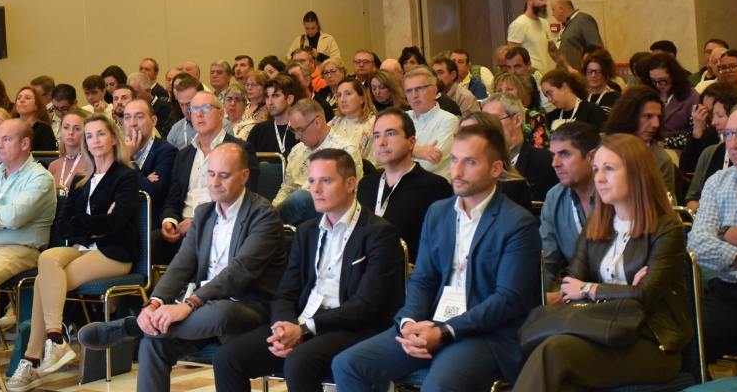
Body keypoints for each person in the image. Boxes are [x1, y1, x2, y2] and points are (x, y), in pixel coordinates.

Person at [332, 120, 542, 392]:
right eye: (454, 160)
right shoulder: (438, 212)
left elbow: (507, 300)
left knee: (437, 387)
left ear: (495, 169)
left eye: (470, 162)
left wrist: (445, 331)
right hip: (431, 322)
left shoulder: (517, 223)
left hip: (485, 334)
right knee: (348, 364)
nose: (457, 170)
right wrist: (409, 322)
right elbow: (423, 279)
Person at [77, 143, 286, 392]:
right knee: (153, 343)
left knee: (219, 312)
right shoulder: (204, 212)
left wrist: (188, 305)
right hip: (201, 310)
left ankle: (132, 327)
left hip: (247, 307)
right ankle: (145, 327)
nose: (215, 182)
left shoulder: (264, 215)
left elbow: (239, 273)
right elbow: (182, 265)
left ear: (244, 176)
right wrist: (154, 303)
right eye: (210, 174)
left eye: (224, 175)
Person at [213, 148, 406, 392]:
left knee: (300, 361)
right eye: (312, 181)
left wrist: (304, 330)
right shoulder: (307, 231)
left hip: (353, 328)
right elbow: (285, 293)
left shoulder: (379, 233)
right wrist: (282, 326)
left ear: (350, 183)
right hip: (304, 322)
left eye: (325, 181)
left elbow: (365, 307)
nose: (315, 190)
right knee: (227, 359)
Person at [511, 134, 690, 392]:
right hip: (599, 330)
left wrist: (590, 289)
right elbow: (569, 287)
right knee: (560, 378)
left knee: (555, 352)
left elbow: (646, 296)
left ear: (637, 173)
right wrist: (625, 291)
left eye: (609, 169)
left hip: (651, 342)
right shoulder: (598, 223)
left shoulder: (666, 228)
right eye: (596, 169)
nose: (600, 178)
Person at [9, 116, 141, 391]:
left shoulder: (126, 176)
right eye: (90, 136)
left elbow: (115, 224)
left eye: (100, 134)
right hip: (81, 248)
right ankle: (56, 338)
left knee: (46, 281)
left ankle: (33, 359)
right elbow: (64, 222)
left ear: (114, 138)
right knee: (47, 259)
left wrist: (86, 225)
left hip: (114, 253)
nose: (94, 140)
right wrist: (93, 225)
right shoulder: (82, 180)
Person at [0, 117, 58, 334]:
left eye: (7, 139)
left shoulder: (40, 177)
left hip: (22, 249)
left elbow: (14, 218)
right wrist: (0, 212)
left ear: (25, 144)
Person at [156, 92, 257, 264]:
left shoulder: (240, 150)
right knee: (151, 242)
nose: (199, 114)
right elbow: (172, 198)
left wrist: (198, 222)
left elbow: (243, 200)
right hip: (182, 226)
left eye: (205, 108)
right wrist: (170, 221)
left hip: (220, 225)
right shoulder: (183, 155)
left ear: (220, 113)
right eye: (194, 109)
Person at [687, 104, 737, 364]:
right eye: (729, 134)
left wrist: (727, 234)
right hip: (729, 289)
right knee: (690, 344)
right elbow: (697, 244)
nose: (733, 143)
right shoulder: (717, 182)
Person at [356, 109, 452, 261]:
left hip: (408, 277)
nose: (381, 142)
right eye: (376, 136)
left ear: (411, 142)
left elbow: (442, 249)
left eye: (391, 133)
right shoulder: (366, 185)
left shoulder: (435, 187)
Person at [539, 121, 600, 299]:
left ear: (592, 157)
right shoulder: (554, 197)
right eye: (553, 155)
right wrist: (543, 297)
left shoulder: (613, 194)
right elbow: (548, 263)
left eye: (564, 154)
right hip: (571, 295)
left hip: (614, 295)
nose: (555, 163)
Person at [274, 100, 355, 225]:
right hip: (293, 216)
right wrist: (272, 209)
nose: (297, 137)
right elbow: (286, 189)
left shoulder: (345, 150)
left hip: (330, 215)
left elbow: (348, 195)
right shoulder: (297, 151)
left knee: (301, 198)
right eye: (293, 130)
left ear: (317, 122)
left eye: (300, 129)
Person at [482, 93, 557, 202]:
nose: (487, 127)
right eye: (484, 121)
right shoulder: (481, 162)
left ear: (517, 120)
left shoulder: (545, 162)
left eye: (494, 119)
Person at [604, 86, 676, 198]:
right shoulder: (603, 148)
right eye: (648, 116)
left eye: (658, 117)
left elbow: (663, 209)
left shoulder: (661, 160)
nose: (656, 124)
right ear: (629, 116)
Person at [684, 84, 737, 209]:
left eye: (720, 115)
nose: (713, 122)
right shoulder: (710, 152)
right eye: (712, 115)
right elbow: (692, 197)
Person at [123, 99, 176, 225]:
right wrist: (145, 179)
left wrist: (129, 160)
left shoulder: (166, 151)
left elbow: (152, 193)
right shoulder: (116, 152)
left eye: (139, 117)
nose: (132, 123)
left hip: (148, 224)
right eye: (127, 118)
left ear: (153, 121)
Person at [404, 66, 459, 179]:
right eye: (409, 91)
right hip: (402, 184)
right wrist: (418, 151)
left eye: (419, 89)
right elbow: (380, 155)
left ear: (434, 91)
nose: (414, 95)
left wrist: (400, 151)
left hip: (434, 188)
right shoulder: (402, 117)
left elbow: (429, 164)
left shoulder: (449, 120)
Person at [644, 53, 698, 149]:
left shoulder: (690, 96)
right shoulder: (647, 94)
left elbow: (695, 134)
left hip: (678, 150)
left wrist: (665, 142)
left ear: (674, 76)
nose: (658, 85)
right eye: (654, 81)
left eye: (663, 80)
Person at [247, 74, 302, 157]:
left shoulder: (302, 129)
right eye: (267, 97)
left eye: (275, 96)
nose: (270, 102)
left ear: (289, 99)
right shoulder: (258, 131)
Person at [540, 69, 607, 131]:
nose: (549, 99)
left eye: (550, 93)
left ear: (564, 87)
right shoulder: (551, 116)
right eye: (546, 96)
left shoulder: (593, 112)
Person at [328, 78, 376, 163]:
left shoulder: (374, 124)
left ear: (362, 99)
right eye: (339, 95)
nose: (342, 100)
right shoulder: (334, 123)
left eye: (348, 94)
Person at [549, 0, 603, 70]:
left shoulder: (583, 20)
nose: (552, 14)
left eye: (553, 10)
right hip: (567, 75)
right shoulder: (567, 25)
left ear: (561, 9)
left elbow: (596, 50)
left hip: (579, 76)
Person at [507, 0, 552, 73]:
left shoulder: (544, 23)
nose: (545, 3)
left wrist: (568, 68)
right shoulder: (519, 24)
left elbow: (552, 50)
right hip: (527, 76)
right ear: (530, 1)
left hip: (542, 75)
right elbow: (512, 56)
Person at [47, 109, 88, 193]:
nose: (70, 132)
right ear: (61, 130)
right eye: (66, 127)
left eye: (77, 129)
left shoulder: (91, 164)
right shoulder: (53, 166)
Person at [13, 86, 58, 152]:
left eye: (27, 98)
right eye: (18, 98)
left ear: (36, 105)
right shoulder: (10, 128)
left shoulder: (44, 130)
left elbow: (45, 159)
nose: (22, 100)